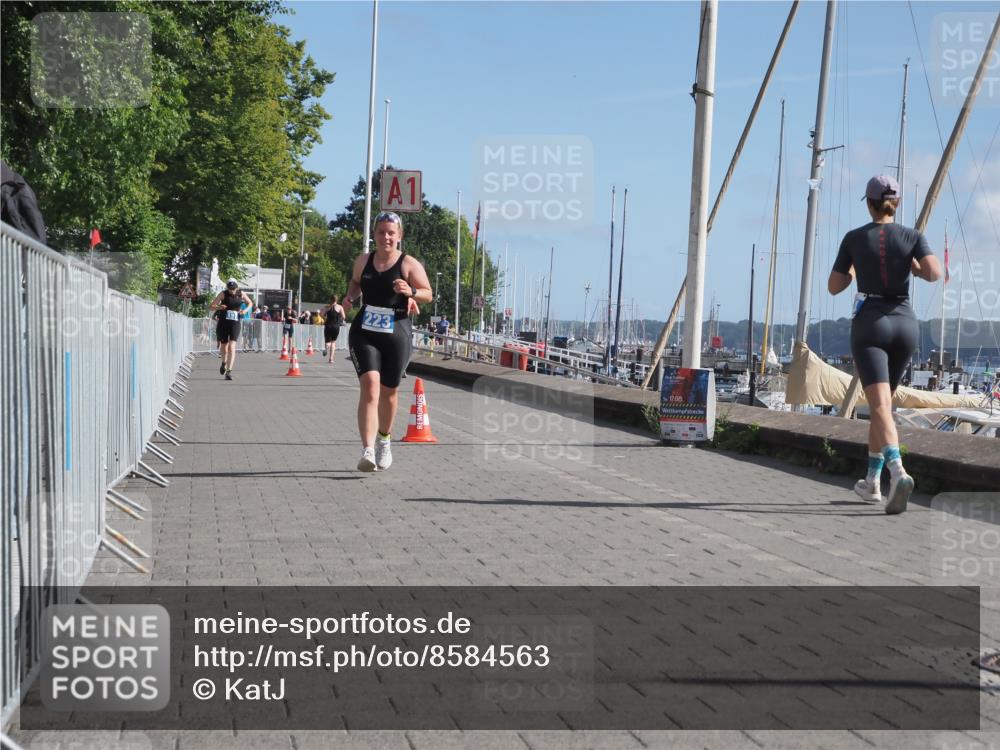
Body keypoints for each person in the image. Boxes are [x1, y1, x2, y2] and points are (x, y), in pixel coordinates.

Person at [828, 175, 941, 514]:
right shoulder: (912, 236)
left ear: (869, 202)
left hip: (871, 323)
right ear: (897, 203)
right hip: (905, 323)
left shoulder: (854, 238)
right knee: (884, 407)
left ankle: (898, 470)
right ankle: (872, 483)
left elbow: (834, 286)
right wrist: (914, 267)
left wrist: (851, 274)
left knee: (878, 405)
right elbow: (935, 272)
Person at [343, 212, 432, 472]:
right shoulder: (363, 261)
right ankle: (367, 450)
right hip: (365, 331)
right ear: (374, 234)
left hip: (396, 332)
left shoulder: (408, 264)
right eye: (381, 232)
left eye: (391, 233)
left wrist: (411, 291)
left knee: (389, 393)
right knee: (370, 387)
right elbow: (356, 282)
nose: (386, 237)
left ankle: (384, 440)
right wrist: (349, 297)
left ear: (399, 236)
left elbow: (428, 293)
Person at [209, 279, 255, 380]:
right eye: (230, 289)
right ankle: (223, 363)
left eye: (233, 289)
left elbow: (250, 303)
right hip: (224, 323)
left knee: (232, 347)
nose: (232, 291)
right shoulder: (223, 294)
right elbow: (211, 306)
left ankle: (229, 371)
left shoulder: (241, 293)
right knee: (224, 347)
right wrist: (220, 307)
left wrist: (245, 311)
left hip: (235, 322)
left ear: (237, 288)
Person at [324, 295, 346, 364]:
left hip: (328, 325)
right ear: (337, 300)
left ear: (330, 300)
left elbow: (322, 314)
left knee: (328, 341)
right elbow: (344, 317)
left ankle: (327, 347)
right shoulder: (340, 307)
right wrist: (339, 321)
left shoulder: (327, 307)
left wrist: (325, 317)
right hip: (336, 326)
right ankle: (331, 359)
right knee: (333, 342)